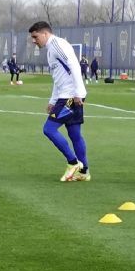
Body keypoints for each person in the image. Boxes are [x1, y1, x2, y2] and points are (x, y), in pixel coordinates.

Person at [27, 21, 90, 181]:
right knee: (75, 134)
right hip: (66, 95)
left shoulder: (57, 45)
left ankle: (73, 162)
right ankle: (84, 173)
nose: (34, 41)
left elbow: (74, 66)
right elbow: (58, 77)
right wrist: (53, 100)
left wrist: (79, 92)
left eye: (35, 37)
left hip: (70, 96)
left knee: (49, 129)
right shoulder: (50, 50)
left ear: (45, 33)